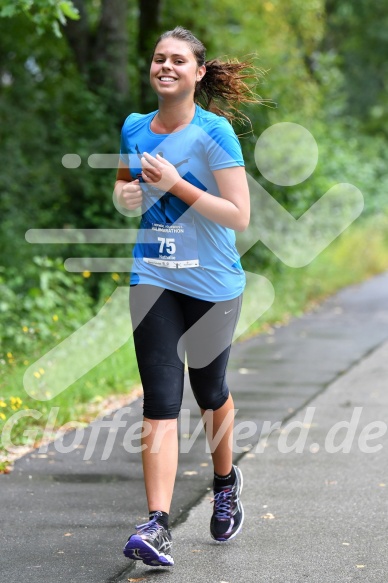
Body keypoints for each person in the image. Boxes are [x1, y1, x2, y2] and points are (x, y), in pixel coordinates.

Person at [114, 26, 262, 567]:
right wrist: (128, 195)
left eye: (178, 59)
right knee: (158, 399)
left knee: (210, 390)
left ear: (198, 73)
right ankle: (157, 524)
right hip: (152, 276)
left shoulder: (215, 131)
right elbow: (126, 192)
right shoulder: (135, 127)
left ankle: (225, 481)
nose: (166, 66)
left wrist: (176, 183)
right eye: (159, 58)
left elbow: (239, 216)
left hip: (213, 283)